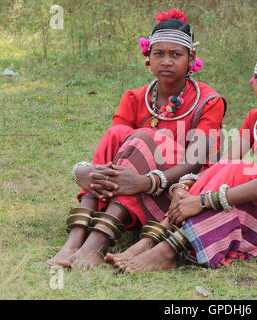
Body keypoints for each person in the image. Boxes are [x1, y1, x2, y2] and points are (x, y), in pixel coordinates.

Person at [109, 43, 257, 272]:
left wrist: (201, 201)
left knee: (241, 171)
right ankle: (154, 238)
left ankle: (167, 251)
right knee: (231, 168)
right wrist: (186, 186)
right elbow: (221, 166)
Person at [46, 9, 226, 269]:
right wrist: (83, 172)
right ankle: (75, 238)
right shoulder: (134, 97)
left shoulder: (209, 101)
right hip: (126, 185)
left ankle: (96, 243)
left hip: (177, 190)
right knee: (118, 134)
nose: (166, 61)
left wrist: (146, 181)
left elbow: (197, 161)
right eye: (159, 54)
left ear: (191, 58)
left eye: (176, 54)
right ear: (148, 57)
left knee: (142, 136)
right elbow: (116, 152)